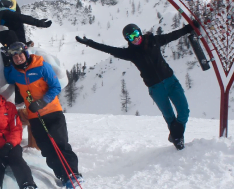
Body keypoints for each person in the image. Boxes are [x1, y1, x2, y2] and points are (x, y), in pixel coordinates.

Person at [75, 21, 198, 150]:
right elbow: (108, 49)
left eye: (136, 34)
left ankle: (176, 135)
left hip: (171, 82)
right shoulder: (130, 53)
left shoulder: (154, 41)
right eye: (130, 37)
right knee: (169, 116)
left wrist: (189, 28)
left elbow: (173, 35)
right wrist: (89, 43)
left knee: (184, 111)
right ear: (127, 40)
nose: (135, 39)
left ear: (140, 32)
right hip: (156, 89)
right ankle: (178, 139)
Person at [3, 42, 83, 189]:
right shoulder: (15, 72)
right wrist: (6, 63)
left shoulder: (41, 66)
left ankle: (73, 174)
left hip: (53, 112)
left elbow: (56, 87)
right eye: (14, 57)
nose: (18, 58)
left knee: (60, 144)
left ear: (26, 54)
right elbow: (8, 79)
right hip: (35, 117)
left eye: (20, 55)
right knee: (46, 149)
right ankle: (62, 174)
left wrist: (42, 102)